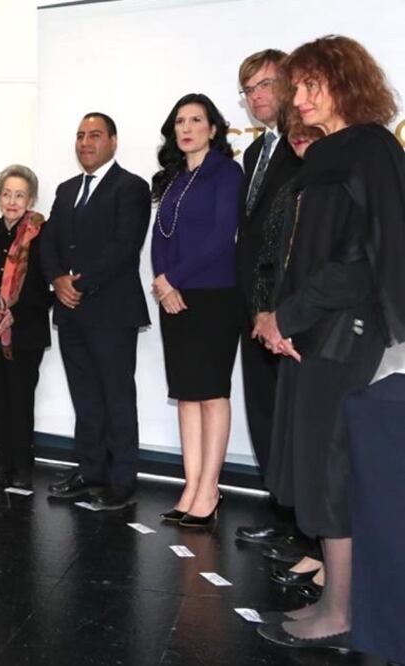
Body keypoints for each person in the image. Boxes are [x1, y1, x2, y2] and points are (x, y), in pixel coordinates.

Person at [253, 35, 405, 650]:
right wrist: (279, 317)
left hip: (344, 330)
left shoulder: (369, 149)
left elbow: (361, 263)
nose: (301, 97)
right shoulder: (332, 153)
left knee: (331, 467)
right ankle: (334, 598)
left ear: (346, 83)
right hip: (314, 329)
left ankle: (341, 609)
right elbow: (298, 253)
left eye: (315, 83)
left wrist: (288, 316)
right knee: (316, 466)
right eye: (299, 85)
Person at [41, 112, 151, 509]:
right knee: (85, 396)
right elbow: (48, 241)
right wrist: (57, 280)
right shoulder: (67, 189)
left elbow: (125, 248)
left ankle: (122, 481)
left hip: (111, 311)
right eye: (80, 135)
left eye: (95, 135)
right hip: (70, 311)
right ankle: (90, 471)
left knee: (117, 397)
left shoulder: (132, 187)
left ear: (114, 141)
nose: (85, 142)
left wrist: (78, 284)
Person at [150, 93, 243, 527]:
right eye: (179, 121)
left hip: (213, 296)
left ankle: (210, 489)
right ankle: (190, 486)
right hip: (175, 296)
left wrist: (174, 279)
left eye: (196, 120)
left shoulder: (227, 172)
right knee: (187, 395)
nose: (186, 128)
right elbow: (160, 237)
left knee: (212, 394)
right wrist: (162, 279)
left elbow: (222, 237)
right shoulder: (171, 179)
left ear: (213, 128)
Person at [233, 48, 305, 547]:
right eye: (249, 89)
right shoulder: (256, 152)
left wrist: (279, 307)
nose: (257, 96)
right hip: (250, 304)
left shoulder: (308, 145)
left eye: (265, 84)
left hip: (289, 308)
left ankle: (306, 528)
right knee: (262, 410)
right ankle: (280, 511)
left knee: (295, 416)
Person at [0, 165, 51, 490]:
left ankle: (22, 467)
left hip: (25, 331)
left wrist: (15, 312)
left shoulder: (42, 233)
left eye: (19, 195)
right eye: (6, 194)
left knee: (20, 398)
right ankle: (2, 464)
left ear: (30, 199)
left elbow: (45, 286)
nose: (12, 201)